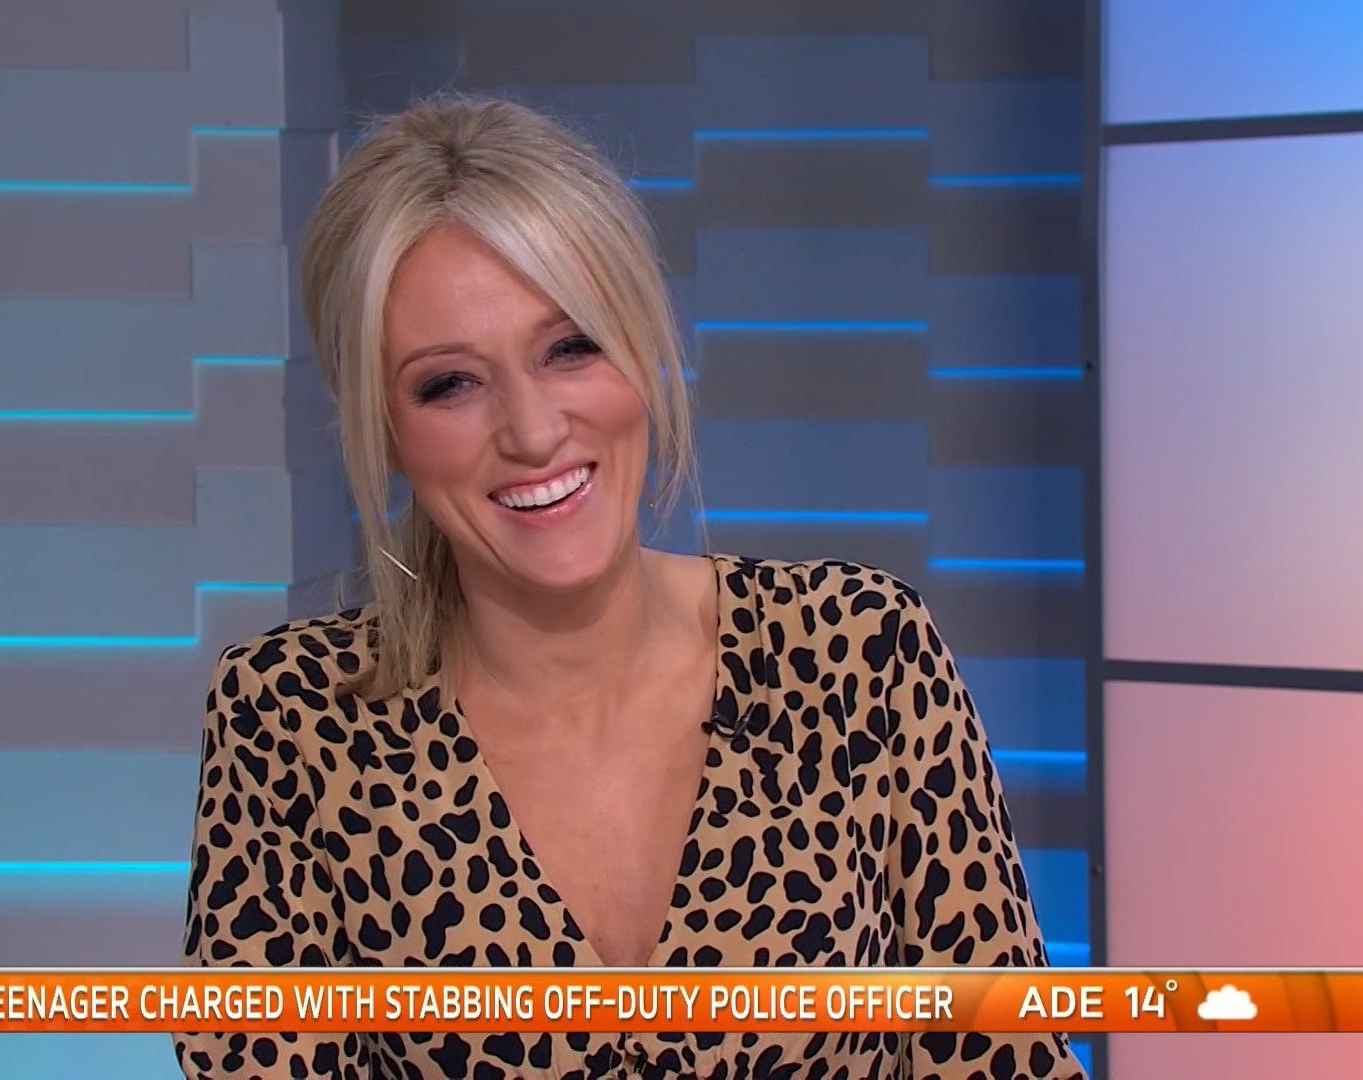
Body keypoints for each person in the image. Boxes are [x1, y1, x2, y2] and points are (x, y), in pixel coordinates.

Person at [175, 92, 1087, 1080]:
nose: (533, 432)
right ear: (383, 430)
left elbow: (1005, 1058)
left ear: (643, 351)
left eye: (570, 347)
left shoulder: (860, 656)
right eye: (450, 384)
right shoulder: (291, 720)